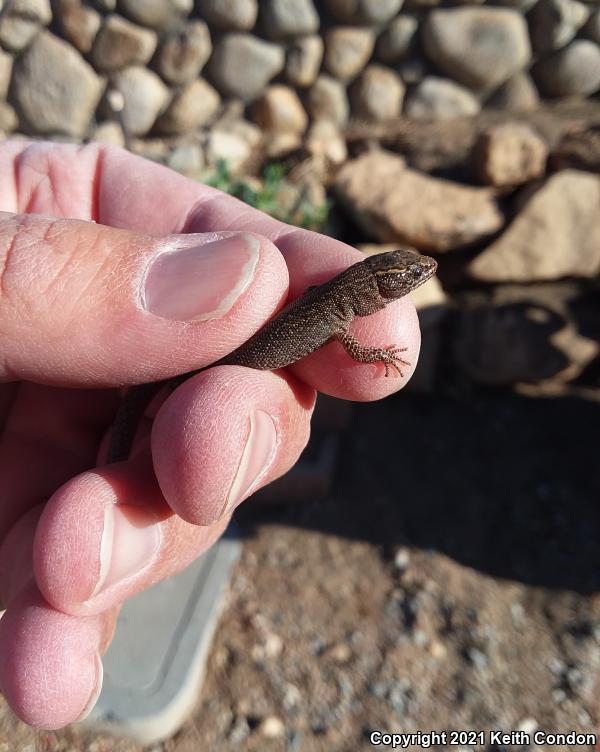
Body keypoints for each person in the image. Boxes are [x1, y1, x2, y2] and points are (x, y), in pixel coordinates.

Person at [0, 140, 422, 729]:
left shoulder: (334, 300)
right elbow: (348, 346)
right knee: (198, 426)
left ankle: (121, 453)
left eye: (408, 277)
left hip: (227, 364)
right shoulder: (337, 310)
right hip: (223, 359)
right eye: (406, 277)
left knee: (201, 431)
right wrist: (372, 350)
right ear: (375, 286)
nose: (415, 278)